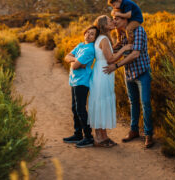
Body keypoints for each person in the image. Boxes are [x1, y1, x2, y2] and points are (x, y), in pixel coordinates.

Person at [103, 14, 154, 149]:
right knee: (133, 103)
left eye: (117, 19)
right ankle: (134, 130)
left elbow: (135, 54)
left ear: (125, 19)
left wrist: (117, 66)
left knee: (145, 103)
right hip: (129, 73)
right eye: (113, 19)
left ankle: (149, 134)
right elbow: (113, 51)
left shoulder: (138, 31)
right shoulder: (122, 34)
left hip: (142, 72)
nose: (114, 21)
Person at [88, 15, 132, 147]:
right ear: (103, 25)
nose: (112, 22)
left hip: (100, 72)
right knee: (101, 102)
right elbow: (110, 59)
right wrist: (125, 49)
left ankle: (102, 137)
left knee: (99, 102)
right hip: (104, 72)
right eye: (109, 21)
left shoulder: (101, 39)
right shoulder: (104, 40)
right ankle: (101, 138)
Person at [63, 25, 98, 148]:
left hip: (82, 82)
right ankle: (78, 134)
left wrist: (75, 62)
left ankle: (88, 137)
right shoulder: (80, 46)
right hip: (74, 81)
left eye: (92, 34)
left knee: (80, 109)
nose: (88, 35)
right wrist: (77, 60)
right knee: (74, 108)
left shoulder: (90, 49)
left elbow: (74, 66)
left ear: (95, 38)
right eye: (87, 32)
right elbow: (66, 57)